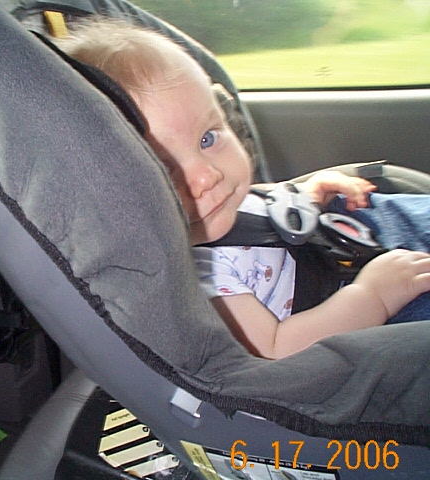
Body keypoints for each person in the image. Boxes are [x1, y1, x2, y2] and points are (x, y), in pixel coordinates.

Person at [56, 19, 430, 359]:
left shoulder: (215, 206)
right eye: (164, 169)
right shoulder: (199, 281)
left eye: (207, 138)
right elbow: (276, 349)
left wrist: (306, 195)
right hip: (359, 313)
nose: (208, 176)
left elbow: (258, 209)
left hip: (351, 238)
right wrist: (373, 296)